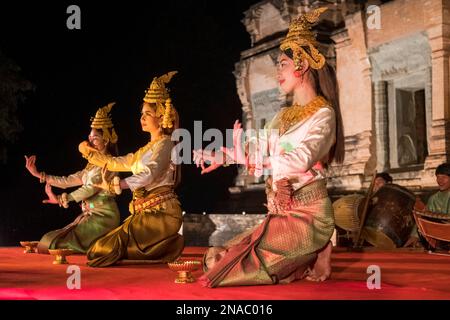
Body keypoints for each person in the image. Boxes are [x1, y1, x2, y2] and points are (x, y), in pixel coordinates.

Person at [193, 7, 344, 287]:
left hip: (308, 215)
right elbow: (255, 148)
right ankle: (309, 256)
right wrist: (223, 155)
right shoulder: (281, 116)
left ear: (302, 65)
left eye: (282, 64)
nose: (278, 71)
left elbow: (299, 160)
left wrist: (254, 157)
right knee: (218, 258)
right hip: (281, 214)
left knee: (238, 270)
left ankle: (319, 244)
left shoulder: (323, 114)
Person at [78, 71, 184, 267]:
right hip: (144, 214)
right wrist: (90, 153)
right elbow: (117, 162)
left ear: (161, 119)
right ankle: (162, 248)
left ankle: (165, 245)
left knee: (105, 250)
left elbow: (149, 173)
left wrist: (117, 184)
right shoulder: (145, 149)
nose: (142, 118)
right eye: (141, 114)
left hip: (162, 216)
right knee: (98, 249)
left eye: (148, 114)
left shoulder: (166, 145)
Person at [24, 103, 121, 254]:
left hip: (104, 217)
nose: (90, 142)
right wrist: (38, 174)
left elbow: (89, 189)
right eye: (90, 138)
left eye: (95, 138)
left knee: (59, 243)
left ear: (106, 140)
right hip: (91, 215)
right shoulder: (91, 165)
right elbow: (68, 180)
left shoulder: (109, 164)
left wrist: (63, 199)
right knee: (51, 239)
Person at [405, 163, 450, 248]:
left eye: (443, 177)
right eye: (438, 177)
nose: (440, 181)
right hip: (439, 236)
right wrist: (414, 236)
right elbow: (423, 218)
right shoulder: (433, 198)